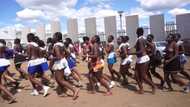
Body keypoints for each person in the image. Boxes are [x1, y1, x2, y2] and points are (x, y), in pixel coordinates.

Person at [51, 32, 79, 100]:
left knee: (60, 80)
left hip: (59, 63)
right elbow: (68, 53)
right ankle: (63, 92)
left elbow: (58, 57)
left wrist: (51, 58)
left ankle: (74, 90)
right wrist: (64, 58)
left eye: (54, 36)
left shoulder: (56, 46)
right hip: (62, 62)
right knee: (58, 79)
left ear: (57, 38)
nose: (53, 37)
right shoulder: (61, 45)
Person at [133, 28, 156, 94]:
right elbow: (151, 45)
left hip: (143, 59)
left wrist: (130, 53)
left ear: (137, 32)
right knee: (136, 75)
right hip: (140, 59)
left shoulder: (140, 39)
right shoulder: (143, 39)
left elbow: (140, 51)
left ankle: (153, 86)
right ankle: (141, 89)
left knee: (143, 75)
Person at [0, 39, 16, 104]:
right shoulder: (4, 47)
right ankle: (4, 96)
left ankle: (11, 96)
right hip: (4, 63)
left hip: (0, 64)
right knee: (2, 78)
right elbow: (11, 52)